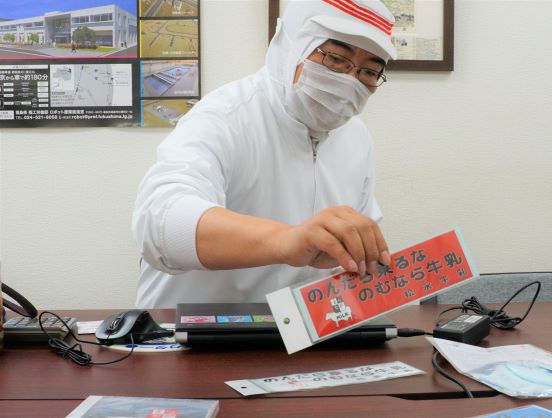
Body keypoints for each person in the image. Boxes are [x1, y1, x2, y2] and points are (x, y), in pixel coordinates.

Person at [133, 0, 398, 308]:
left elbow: (354, 250)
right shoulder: (226, 115)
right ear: (292, 46)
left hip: (298, 338)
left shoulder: (356, 137)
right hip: (188, 340)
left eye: (370, 71)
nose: (349, 80)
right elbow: (162, 223)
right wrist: (289, 240)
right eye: (336, 59)